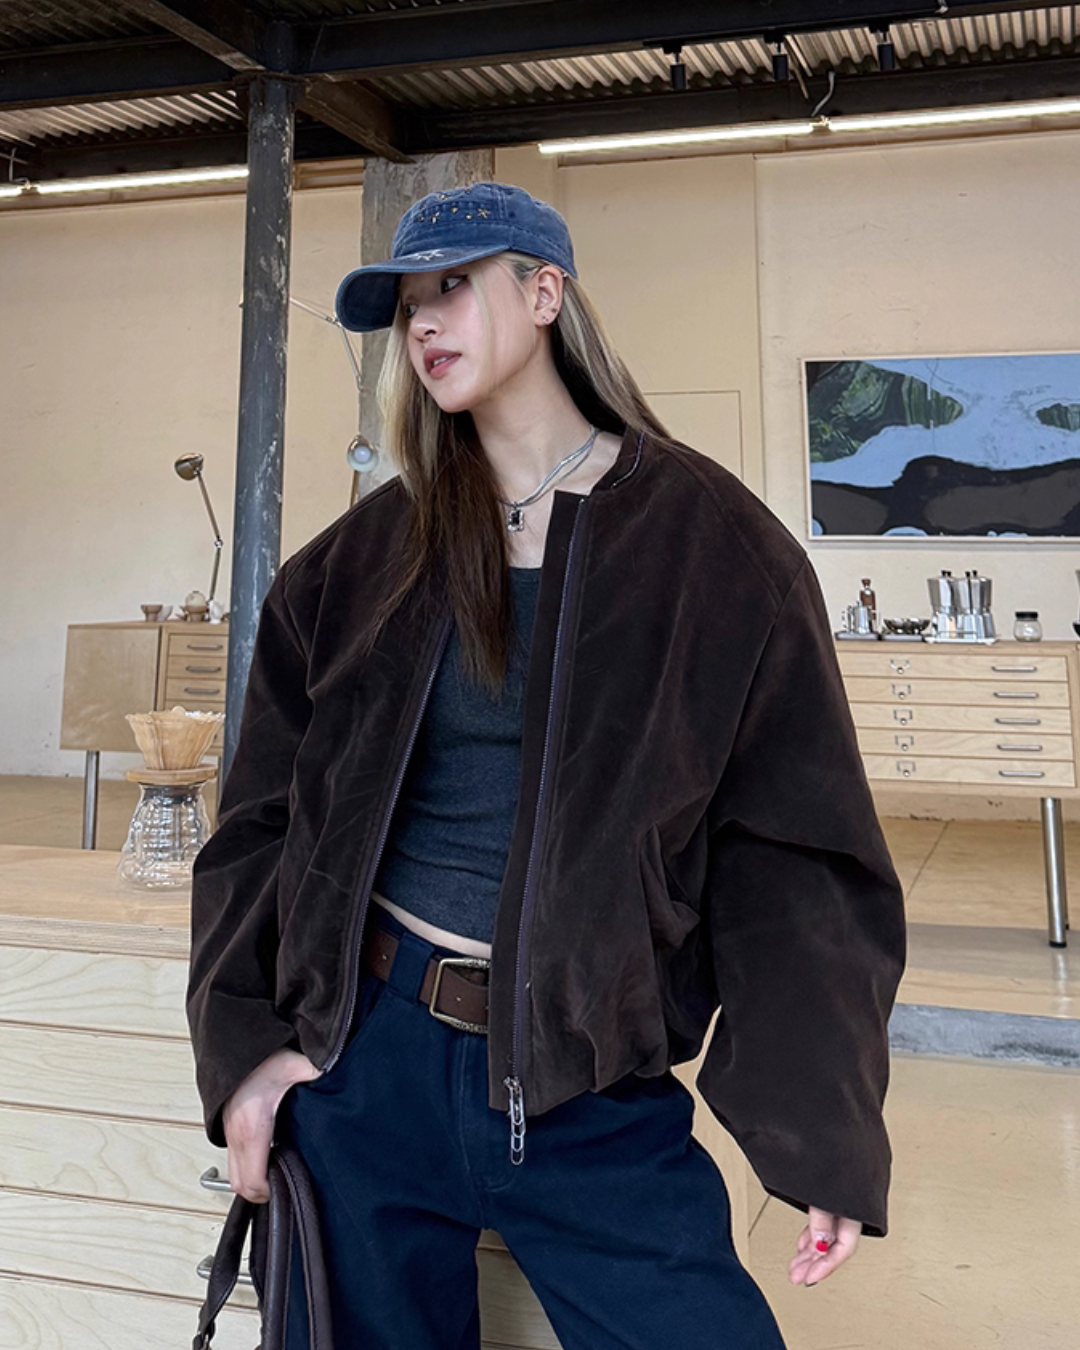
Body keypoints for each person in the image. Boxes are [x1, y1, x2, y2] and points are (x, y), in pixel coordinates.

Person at [186, 181, 907, 1349]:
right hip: (370, 1069)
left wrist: (820, 1133)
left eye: (454, 286)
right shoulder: (353, 569)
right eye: (407, 305)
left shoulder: (717, 552)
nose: (424, 321)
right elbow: (259, 827)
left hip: (589, 1080)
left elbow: (799, 863)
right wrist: (247, 1055)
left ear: (545, 293)